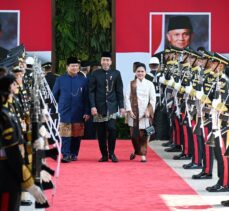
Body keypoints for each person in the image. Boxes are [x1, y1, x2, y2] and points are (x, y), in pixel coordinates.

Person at [0, 70, 46, 210]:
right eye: (12, 85)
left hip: (11, 172)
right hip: (5, 174)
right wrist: (29, 183)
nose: (15, 88)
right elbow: (12, 152)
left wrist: (32, 140)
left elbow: (19, 135)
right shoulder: (3, 115)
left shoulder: (7, 111)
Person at [89, 52, 125, 162]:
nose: (105, 62)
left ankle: (112, 153)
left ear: (111, 62)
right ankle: (104, 155)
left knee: (112, 129)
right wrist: (93, 106)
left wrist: (121, 107)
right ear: (101, 61)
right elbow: (91, 92)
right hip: (99, 107)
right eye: (103, 60)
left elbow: (119, 91)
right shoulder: (95, 74)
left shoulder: (116, 73)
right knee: (101, 132)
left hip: (112, 107)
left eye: (107, 60)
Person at [53, 57, 90, 163]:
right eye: (72, 66)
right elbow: (54, 95)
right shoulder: (60, 79)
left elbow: (86, 97)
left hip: (79, 110)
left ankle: (74, 154)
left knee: (76, 135)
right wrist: (53, 110)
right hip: (64, 111)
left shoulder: (83, 80)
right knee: (65, 134)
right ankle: (65, 154)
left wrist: (87, 111)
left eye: (76, 66)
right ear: (67, 67)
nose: (74, 68)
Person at [125, 63, 156, 162]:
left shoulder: (150, 84)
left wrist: (149, 110)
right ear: (135, 72)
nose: (140, 73)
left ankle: (143, 155)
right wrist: (129, 110)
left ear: (145, 72)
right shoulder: (131, 83)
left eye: (142, 71)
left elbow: (153, 99)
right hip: (134, 114)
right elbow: (126, 97)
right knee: (134, 136)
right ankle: (136, 151)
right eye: (138, 71)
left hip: (145, 114)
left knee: (145, 135)